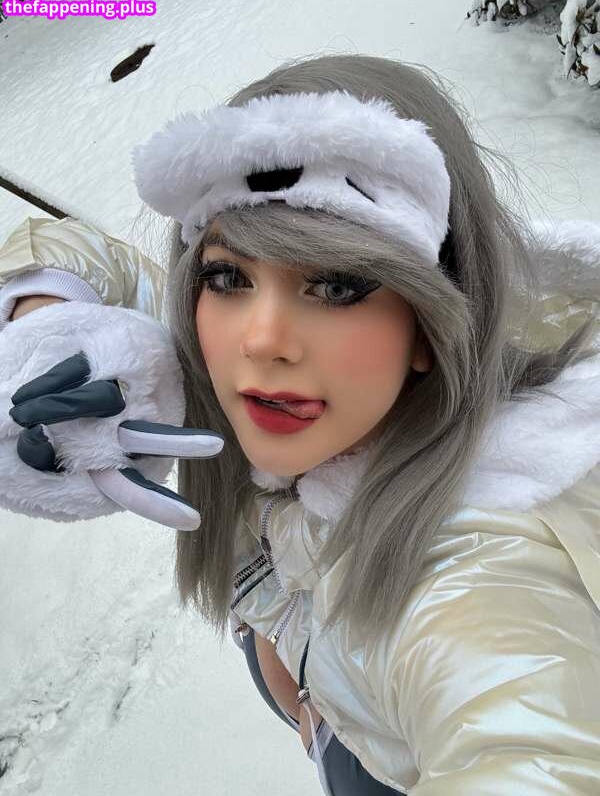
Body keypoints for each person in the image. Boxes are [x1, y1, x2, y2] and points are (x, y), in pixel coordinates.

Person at [1, 53, 600, 794]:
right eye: (228, 276)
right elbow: (78, 248)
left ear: (430, 322)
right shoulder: (247, 373)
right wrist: (50, 322)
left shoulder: (480, 561)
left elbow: (534, 743)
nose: (260, 340)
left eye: (337, 286)